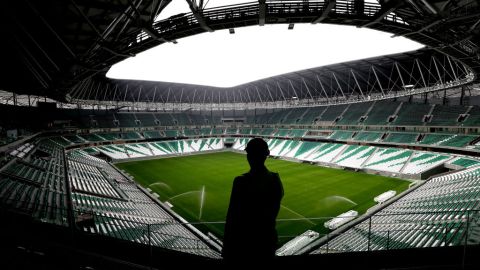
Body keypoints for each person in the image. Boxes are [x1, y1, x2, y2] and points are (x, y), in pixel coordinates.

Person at [222, 138, 284, 263]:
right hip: (268, 242)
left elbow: (232, 218)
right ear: (267, 154)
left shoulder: (241, 182)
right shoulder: (276, 180)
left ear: (248, 156)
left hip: (244, 246)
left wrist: (227, 247)